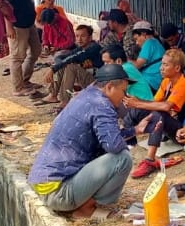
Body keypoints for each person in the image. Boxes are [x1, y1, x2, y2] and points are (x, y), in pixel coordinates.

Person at [29, 64, 134, 218]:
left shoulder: (86, 95)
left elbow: (106, 139)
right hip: (58, 192)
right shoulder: (102, 104)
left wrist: (135, 131)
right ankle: (85, 209)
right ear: (109, 87)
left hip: (44, 184)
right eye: (124, 91)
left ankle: (80, 203)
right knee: (123, 158)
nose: (125, 96)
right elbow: (113, 145)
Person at [128, 49, 185, 179]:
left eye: (165, 65)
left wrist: (138, 103)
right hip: (172, 123)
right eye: (161, 64)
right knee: (138, 109)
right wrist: (136, 103)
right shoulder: (167, 81)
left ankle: (150, 161)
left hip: (183, 130)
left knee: (158, 114)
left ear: (177, 68)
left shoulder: (183, 83)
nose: (161, 68)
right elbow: (154, 103)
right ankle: (122, 138)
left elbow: (166, 106)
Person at [2, 0, 42, 96]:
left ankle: (25, 80)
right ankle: (18, 87)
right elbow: (5, 5)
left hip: (29, 22)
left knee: (36, 51)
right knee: (18, 56)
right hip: (17, 24)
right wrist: (9, 26)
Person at [46, 24, 98, 106]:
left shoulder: (94, 48)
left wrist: (53, 69)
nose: (79, 39)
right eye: (77, 36)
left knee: (70, 66)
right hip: (86, 78)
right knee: (62, 65)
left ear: (90, 37)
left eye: (83, 36)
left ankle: (65, 102)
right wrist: (56, 67)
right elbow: (60, 57)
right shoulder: (80, 48)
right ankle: (53, 95)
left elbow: (73, 57)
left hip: (97, 82)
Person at [130, 20, 166, 93]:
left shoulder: (148, 43)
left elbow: (137, 65)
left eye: (136, 39)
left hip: (151, 81)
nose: (136, 43)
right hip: (156, 82)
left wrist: (124, 59)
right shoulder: (156, 42)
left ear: (144, 34)